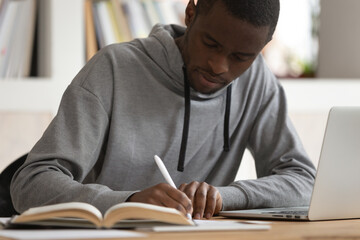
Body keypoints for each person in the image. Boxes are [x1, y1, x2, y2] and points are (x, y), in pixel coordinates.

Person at [11, 0, 316, 220]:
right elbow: (31, 183)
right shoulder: (113, 68)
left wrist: (222, 197)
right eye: (211, 43)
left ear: (263, 46)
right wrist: (128, 202)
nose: (219, 65)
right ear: (191, 13)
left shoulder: (256, 81)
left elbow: (305, 183)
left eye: (241, 56)